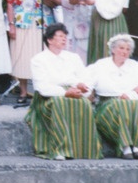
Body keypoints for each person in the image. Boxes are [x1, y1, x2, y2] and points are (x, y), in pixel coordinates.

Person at [25, 23, 102, 160]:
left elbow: (83, 77)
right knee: (60, 103)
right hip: (48, 96)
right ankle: (59, 150)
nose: (64, 39)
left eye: (65, 36)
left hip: (72, 91)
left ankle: (83, 149)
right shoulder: (38, 59)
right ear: (49, 40)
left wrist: (82, 86)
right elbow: (42, 87)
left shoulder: (73, 57)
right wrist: (66, 92)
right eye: (60, 36)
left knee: (84, 105)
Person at [5, 0, 58, 104]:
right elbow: (9, 1)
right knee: (22, 57)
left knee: (41, 57)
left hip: (44, 22)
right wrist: (11, 25)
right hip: (23, 21)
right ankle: (22, 92)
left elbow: (55, 2)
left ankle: (40, 92)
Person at [85, 34, 138, 160]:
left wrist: (130, 95)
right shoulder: (101, 65)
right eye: (121, 48)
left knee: (133, 105)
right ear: (113, 49)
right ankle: (125, 146)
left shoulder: (135, 66)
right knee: (121, 105)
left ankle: (136, 146)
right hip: (107, 104)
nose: (124, 52)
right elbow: (89, 84)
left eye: (127, 49)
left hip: (132, 101)